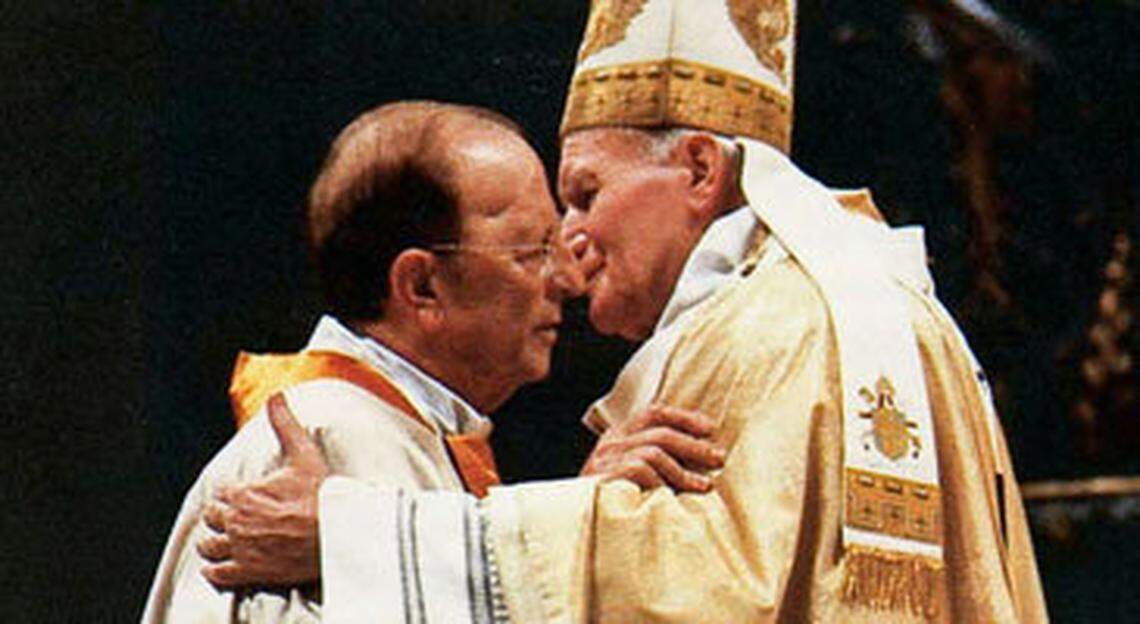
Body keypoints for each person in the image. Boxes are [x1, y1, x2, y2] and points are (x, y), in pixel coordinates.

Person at [200, 1, 1048, 621]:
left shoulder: (784, 327)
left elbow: (720, 589)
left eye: (584, 194)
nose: (570, 250)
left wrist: (356, 534)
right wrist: (595, 504)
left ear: (700, 171)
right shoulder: (325, 431)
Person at [141, 101, 724, 623]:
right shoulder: (328, 442)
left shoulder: (400, 432)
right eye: (533, 252)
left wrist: (570, 520)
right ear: (421, 285)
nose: (570, 279)